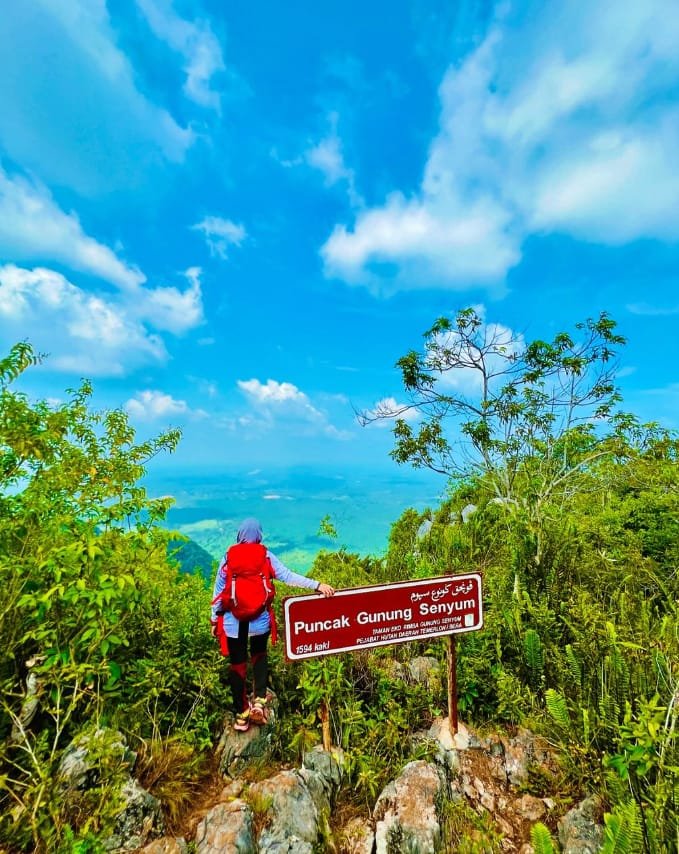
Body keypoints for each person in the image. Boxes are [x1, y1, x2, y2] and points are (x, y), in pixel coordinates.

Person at [211, 517, 335, 732]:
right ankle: (259, 700)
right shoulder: (265, 556)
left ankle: (241, 715)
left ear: (240, 535)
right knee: (259, 655)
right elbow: (288, 576)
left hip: (233, 622)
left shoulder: (227, 558)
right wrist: (317, 585)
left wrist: (215, 620)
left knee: (238, 664)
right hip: (259, 621)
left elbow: (218, 593)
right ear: (259, 535)